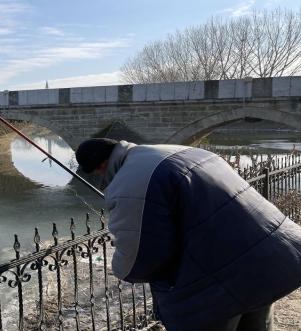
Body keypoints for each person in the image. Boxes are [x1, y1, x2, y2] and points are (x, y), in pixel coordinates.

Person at [74, 138, 301, 331]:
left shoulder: (129, 183)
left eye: (96, 171)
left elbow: (138, 260)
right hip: (273, 256)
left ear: (102, 163)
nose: (100, 177)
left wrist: (120, 266)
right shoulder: (182, 151)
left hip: (221, 283)